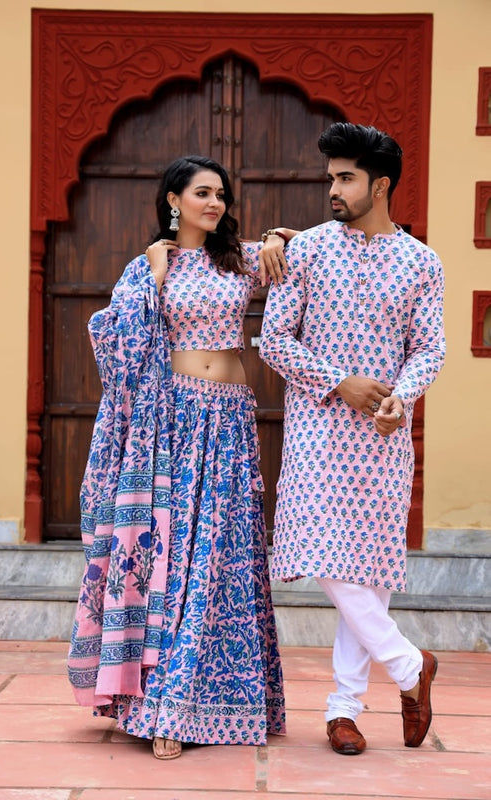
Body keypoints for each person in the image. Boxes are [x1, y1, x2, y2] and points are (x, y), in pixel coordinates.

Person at [67, 155, 291, 760]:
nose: (214, 203)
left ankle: (224, 703)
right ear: (174, 199)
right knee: (172, 555)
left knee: (221, 553)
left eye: (220, 194)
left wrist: (274, 237)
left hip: (230, 420)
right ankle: (164, 706)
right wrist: (158, 279)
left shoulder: (240, 258)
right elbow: (113, 346)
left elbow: (305, 259)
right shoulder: (149, 266)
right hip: (174, 423)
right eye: (202, 193)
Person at [259, 122, 446, 755]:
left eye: (345, 178)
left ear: (381, 184)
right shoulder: (305, 250)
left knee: (364, 572)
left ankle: (343, 710)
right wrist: (341, 382)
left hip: (383, 436)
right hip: (318, 427)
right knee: (322, 551)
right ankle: (409, 666)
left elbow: (429, 348)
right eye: (331, 177)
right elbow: (277, 340)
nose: (332, 188)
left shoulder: (423, 262)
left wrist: (400, 397)